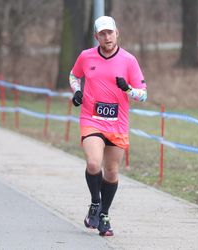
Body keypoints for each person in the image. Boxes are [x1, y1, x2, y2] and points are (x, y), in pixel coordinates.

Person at [69, 15, 147, 236]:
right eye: (102, 34)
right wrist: (77, 92)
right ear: (96, 37)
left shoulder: (129, 60)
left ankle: (104, 214)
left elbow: (143, 95)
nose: (107, 37)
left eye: (110, 32)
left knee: (111, 172)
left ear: (117, 33)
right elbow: (74, 76)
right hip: (91, 119)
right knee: (94, 164)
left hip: (117, 124)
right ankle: (95, 203)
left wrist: (128, 90)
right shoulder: (86, 56)